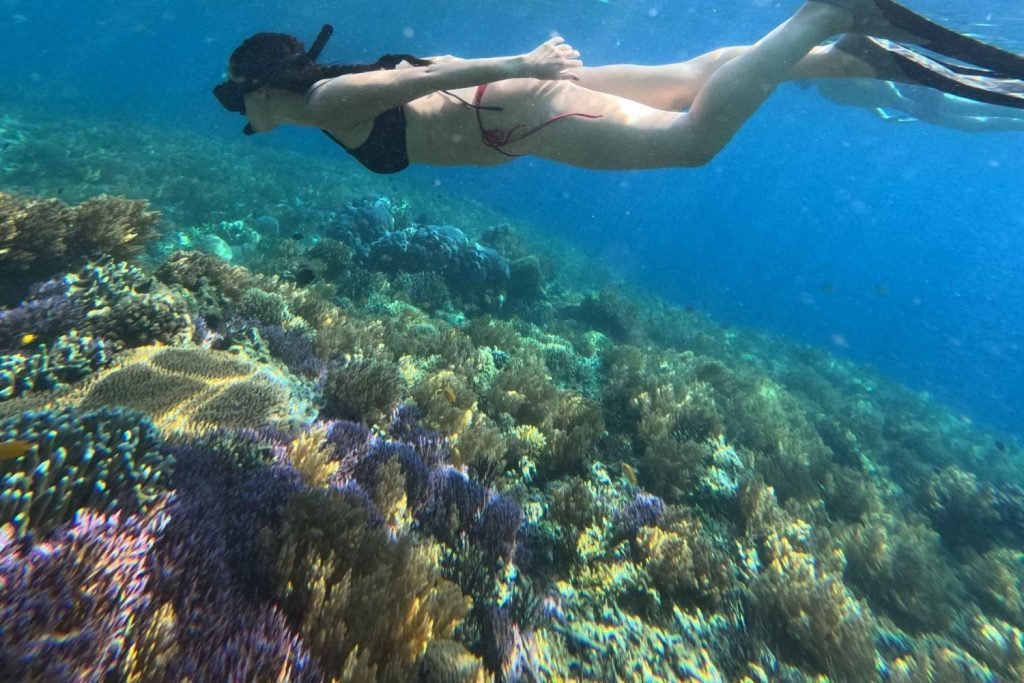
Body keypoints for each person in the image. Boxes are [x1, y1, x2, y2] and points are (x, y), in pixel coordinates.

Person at [213, 0, 1024, 174]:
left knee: (691, 141)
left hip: (512, 113)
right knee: (688, 77)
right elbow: (417, 72)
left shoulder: (325, 104)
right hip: (507, 104)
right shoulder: (326, 97)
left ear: (261, 90)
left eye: (236, 103)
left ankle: (826, 19)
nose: (242, 121)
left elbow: (410, 78)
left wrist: (522, 67)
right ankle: (849, 56)